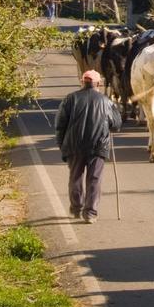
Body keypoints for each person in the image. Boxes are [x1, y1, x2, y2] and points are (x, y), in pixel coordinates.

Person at [55, 69, 122, 223]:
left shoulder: (70, 99)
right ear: (98, 83)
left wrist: (62, 146)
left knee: (75, 177)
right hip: (98, 147)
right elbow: (116, 125)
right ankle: (90, 213)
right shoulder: (106, 101)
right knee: (94, 179)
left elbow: (60, 125)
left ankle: (77, 208)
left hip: (74, 146)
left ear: (82, 82)